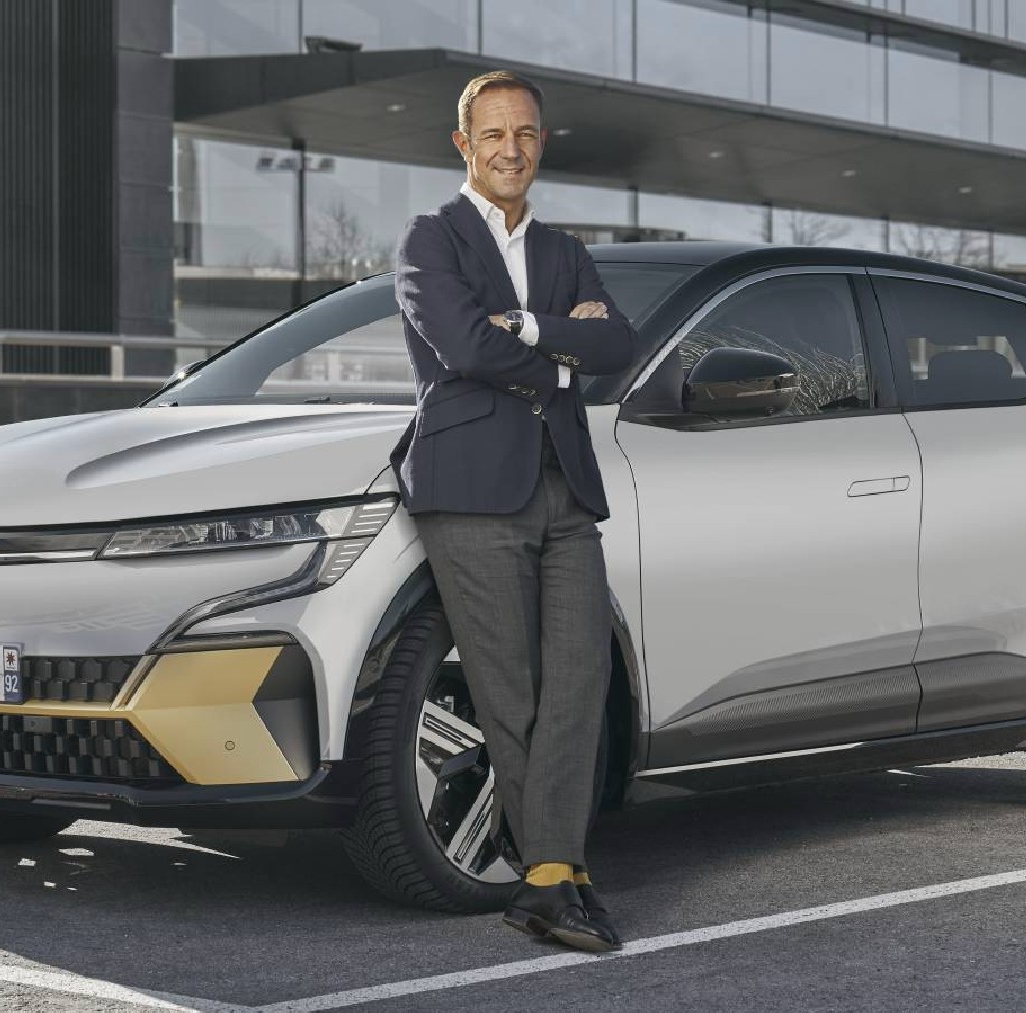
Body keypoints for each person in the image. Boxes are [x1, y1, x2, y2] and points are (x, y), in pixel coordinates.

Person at [388, 69, 636, 954]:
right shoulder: (432, 238)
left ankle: (548, 876)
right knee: (510, 689)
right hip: (471, 488)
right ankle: (553, 877)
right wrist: (564, 349)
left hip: (565, 486)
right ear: (464, 145)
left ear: (541, 143)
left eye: (525, 134)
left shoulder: (566, 247)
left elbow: (621, 343)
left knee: (581, 677)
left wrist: (527, 330)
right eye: (493, 134)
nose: (511, 150)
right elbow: (458, 345)